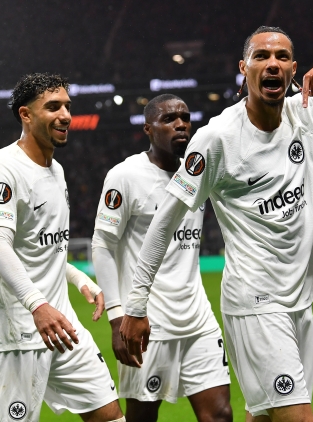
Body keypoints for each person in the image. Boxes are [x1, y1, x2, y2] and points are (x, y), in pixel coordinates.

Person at [120, 26, 313, 422]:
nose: (272, 64)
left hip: (299, 301)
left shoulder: (308, 111)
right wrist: (135, 305)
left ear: (295, 69)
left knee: (263, 416)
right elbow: (164, 222)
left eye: (282, 57)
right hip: (255, 302)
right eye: (261, 56)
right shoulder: (217, 138)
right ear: (243, 68)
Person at [0, 73, 124, 422]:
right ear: (26, 115)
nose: (65, 116)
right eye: (53, 107)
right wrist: (37, 305)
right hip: (16, 334)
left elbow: (45, 248)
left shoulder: (56, 171)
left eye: (68, 107)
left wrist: (80, 280)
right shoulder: (2, 168)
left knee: (111, 416)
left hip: (63, 326)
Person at [92, 94, 232, 422]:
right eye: (169, 119)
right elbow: (102, 245)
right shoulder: (125, 176)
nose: (180, 124)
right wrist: (117, 318)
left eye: (185, 117)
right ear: (148, 129)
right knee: (143, 417)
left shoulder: (197, 173)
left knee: (220, 415)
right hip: (145, 322)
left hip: (197, 319)